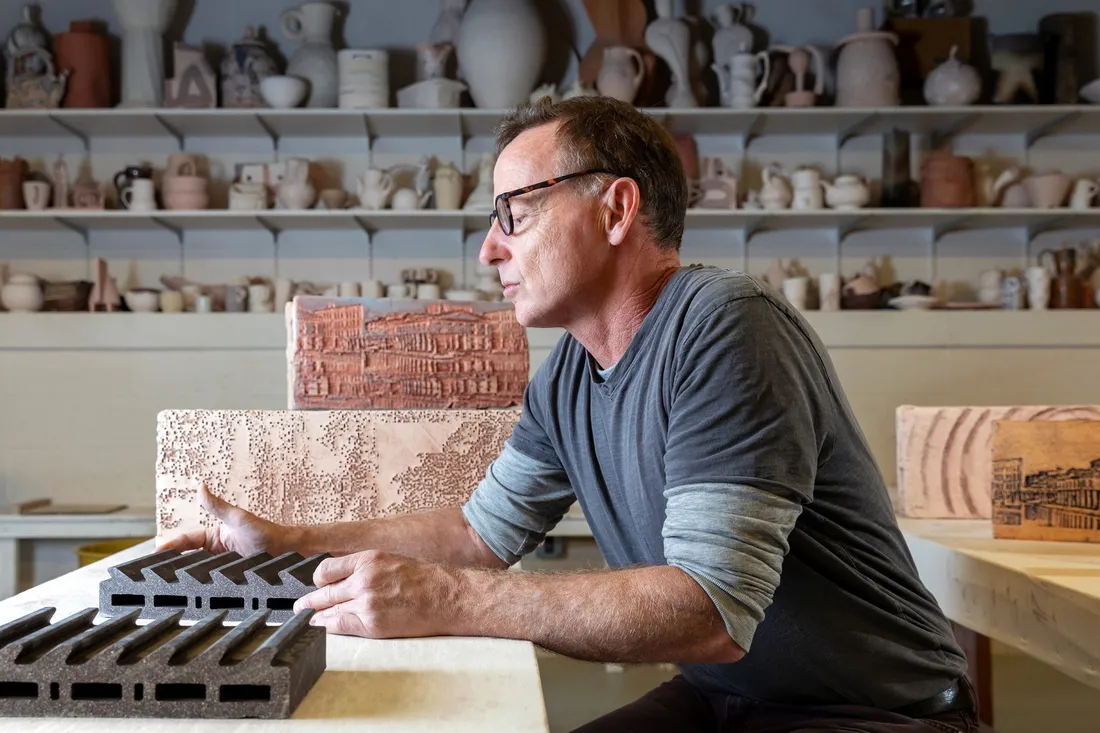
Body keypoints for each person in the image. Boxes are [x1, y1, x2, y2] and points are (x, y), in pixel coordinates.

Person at [160, 96, 976, 733]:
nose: (489, 249)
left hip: (874, 712)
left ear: (617, 211)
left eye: (515, 211)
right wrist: (290, 541)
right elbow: (477, 537)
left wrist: (443, 600)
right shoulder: (567, 381)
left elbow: (708, 611)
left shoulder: (726, 324)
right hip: (727, 701)